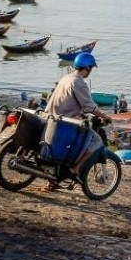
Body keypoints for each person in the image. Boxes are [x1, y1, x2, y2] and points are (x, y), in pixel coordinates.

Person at [42, 53, 113, 184]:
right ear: (87, 67)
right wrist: (105, 116)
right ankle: (75, 169)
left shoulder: (66, 77)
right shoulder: (79, 82)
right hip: (65, 122)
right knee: (96, 140)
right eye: (90, 68)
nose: (90, 71)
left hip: (52, 117)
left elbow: (72, 102)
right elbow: (89, 106)